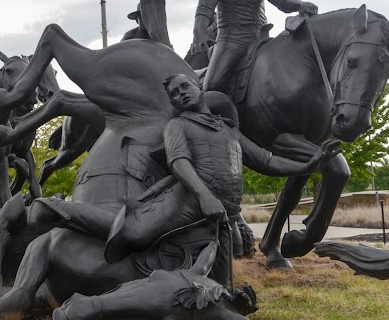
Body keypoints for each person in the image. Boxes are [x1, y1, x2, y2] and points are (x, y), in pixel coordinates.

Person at [103, 74, 339, 264]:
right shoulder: (177, 125)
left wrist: (310, 165)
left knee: (222, 280)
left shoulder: (229, 130)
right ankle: (67, 212)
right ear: (173, 103)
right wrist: (204, 197)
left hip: (224, 214)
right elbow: (178, 162)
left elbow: (266, 161)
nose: (181, 93)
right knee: (133, 233)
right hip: (191, 203)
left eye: (184, 86)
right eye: (174, 94)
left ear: (199, 87)